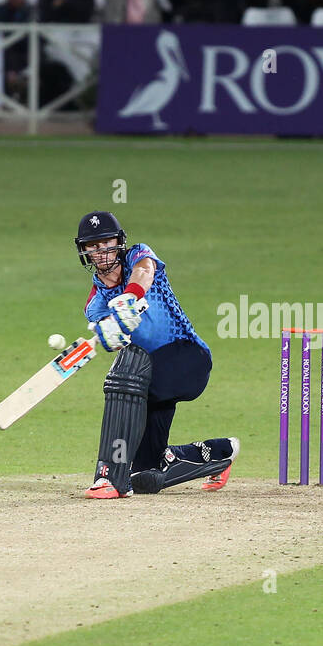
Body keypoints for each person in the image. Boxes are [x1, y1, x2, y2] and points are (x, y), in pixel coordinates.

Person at [73, 211, 237, 499]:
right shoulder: (96, 303)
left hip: (187, 357)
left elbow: (145, 271)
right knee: (146, 473)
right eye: (93, 246)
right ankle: (220, 452)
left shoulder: (138, 255)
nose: (101, 252)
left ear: (119, 242)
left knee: (123, 375)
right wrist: (110, 334)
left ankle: (110, 476)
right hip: (148, 381)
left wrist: (131, 296)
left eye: (107, 243)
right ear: (85, 251)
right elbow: (117, 342)